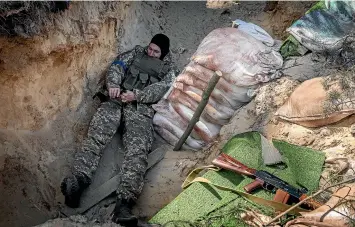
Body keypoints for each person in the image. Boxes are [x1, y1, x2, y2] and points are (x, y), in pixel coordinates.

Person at [60, 34, 178, 226]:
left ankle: (124, 203)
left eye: (156, 51)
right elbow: (117, 66)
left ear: (163, 53)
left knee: (137, 152)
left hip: (140, 110)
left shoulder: (169, 69)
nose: (151, 52)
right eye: (150, 48)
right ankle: (77, 182)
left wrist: (137, 95)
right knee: (95, 139)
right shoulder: (136, 53)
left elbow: (164, 88)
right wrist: (113, 85)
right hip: (115, 101)